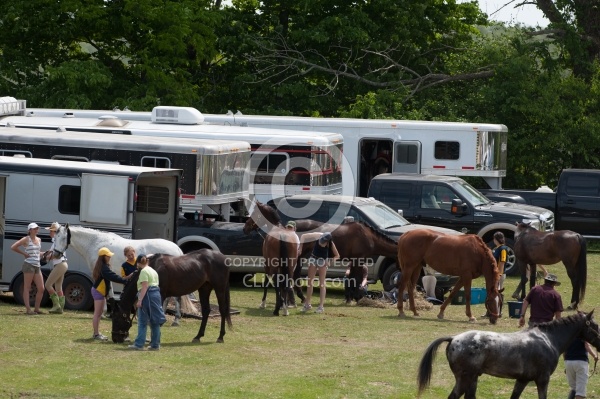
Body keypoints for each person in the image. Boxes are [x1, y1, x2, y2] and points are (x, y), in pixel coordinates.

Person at [129, 254, 166, 350]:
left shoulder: (143, 272)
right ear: (147, 261)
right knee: (155, 321)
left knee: (142, 321)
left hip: (147, 295)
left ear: (138, 263)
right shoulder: (153, 271)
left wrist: (140, 300)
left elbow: (144, 286)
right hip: (156, 294)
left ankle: (139, 344)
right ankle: (155, 344)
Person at [91, 247, 129, 341]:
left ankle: (97, 333)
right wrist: (124, 281)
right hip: (98, 292)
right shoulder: (104, 268)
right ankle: (96, 334)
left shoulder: (103, 266)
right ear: (103, 257)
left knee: (99, 313)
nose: (110, 257)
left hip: (100, 292)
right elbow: (113, 277)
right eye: (108, 256)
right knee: (97, 314)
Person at [299, 232, 340, 314]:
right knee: (310, 282)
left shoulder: (330, 243)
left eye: (324, 241)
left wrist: (330, 261)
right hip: (313, 258)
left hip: (323, 261)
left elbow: (337, 256)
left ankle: (321, 306)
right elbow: (303, 236)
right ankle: (307, 304)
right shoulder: (318, 235)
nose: (322, 242)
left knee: (322, 283)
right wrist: (300, 248)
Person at [11, 222, 44, 315]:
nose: (36, 230)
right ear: (29, 230)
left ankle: (37, 309)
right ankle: (28, 309)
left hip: (37, 265)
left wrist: (45, 253)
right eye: (34, 229)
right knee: (27, 287)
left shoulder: (39, 239)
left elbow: (37, 252)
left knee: (41, 288)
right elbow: (13, 247)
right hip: (29, 265)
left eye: (37, 228)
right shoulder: (26, 239)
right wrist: (24, 254)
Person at [44, 222, 68, 314]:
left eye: (51, 231)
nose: (49, 233)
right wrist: (39, 254)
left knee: (48, 285)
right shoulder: (56, 242)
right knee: (58, 287)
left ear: (55, 232)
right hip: (63, 264)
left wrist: (45, 257)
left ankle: (56, 305)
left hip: (60, 264)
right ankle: (60, 308)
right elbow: (49, 253)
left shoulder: (56, 243)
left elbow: (55, 255)